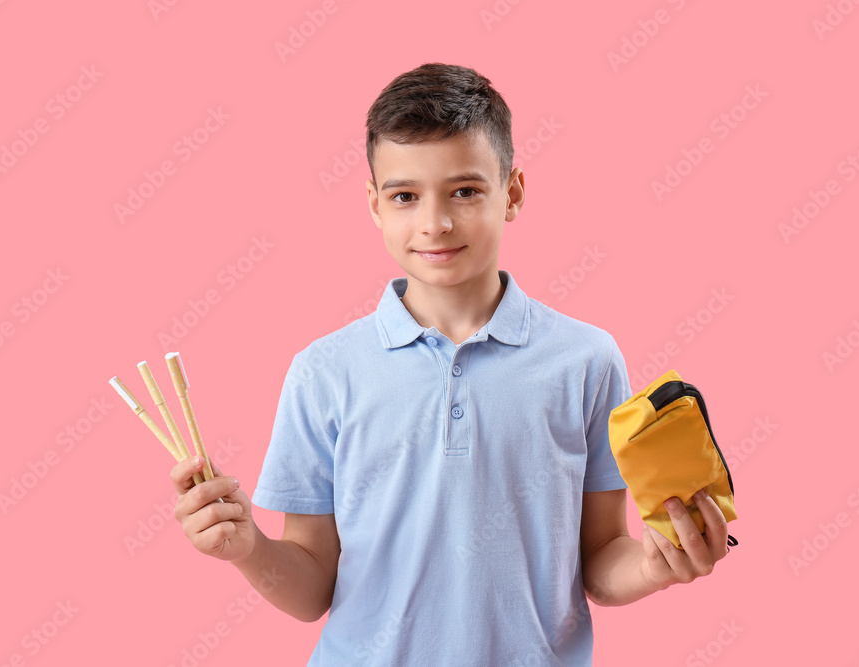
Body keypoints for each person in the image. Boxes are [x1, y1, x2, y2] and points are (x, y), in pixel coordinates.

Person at [170, 62, 730, 666]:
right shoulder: (323, 372)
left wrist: (653, 566)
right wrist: (248, 546)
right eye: (405, 196)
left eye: (464, 191)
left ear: (512, 192)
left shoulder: (587, 360)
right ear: (374, 204)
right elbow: (311, 589)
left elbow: (598, 559)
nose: (434, 222)